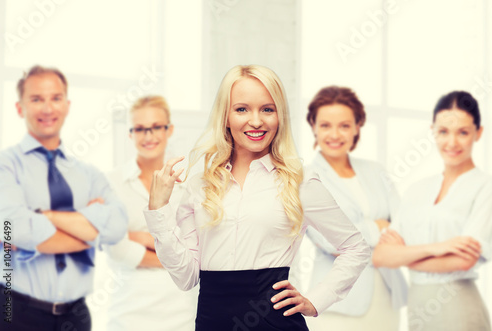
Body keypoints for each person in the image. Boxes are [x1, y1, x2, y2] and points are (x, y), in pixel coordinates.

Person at [144, 64, 370, 330]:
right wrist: (158, 208)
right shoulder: (199, 187)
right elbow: (186, 277)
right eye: (242, 109)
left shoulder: (300, 181)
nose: (256, 121)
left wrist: (316, 301)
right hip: (211, 323)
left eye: (267, 109)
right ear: (225, 117)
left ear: (279, 116)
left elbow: (356, 248)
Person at [0, 65, 127, 331]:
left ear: (67, 106)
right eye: (36, 99)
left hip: (76, 316)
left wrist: (45, 217)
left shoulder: (89, 174)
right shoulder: (4, 166)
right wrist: (89, 230)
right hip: (14, 311)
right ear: (20, 107)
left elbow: (117, 226)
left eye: (55, 98)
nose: (47, 109)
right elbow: (13, 228)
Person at [373, 91, 492, 330]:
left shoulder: (486, 187)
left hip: (459, 305)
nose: (452, 142)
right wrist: (438, 248)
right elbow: (381, 256)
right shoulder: (417, 190)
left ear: (478, 133)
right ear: (433, 132)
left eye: (463, 132)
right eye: (443, 132)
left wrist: (405, 255)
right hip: (418, 304)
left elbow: (463, 260)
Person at [301, 86, 407, 330]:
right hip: (339, 302)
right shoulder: (304, 178)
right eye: (326, 125)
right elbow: (330, 241)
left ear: (358, 126)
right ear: (313, 126)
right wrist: (379, 226)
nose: (335, 134)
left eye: (344, 125)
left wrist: (361, 233)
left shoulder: (376, 171)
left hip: (387, 298)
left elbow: (403, 226)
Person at [105, 95, 197, 330]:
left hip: (182, 313)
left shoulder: (189, 184)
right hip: (128, 313)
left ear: (169, 130)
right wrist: (176, 256)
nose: (149, 136)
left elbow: (197, 248)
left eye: (156, 127)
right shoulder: (111, 183)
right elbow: (116, 247)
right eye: (140, 129)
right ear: (130, 133)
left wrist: (138, 237)